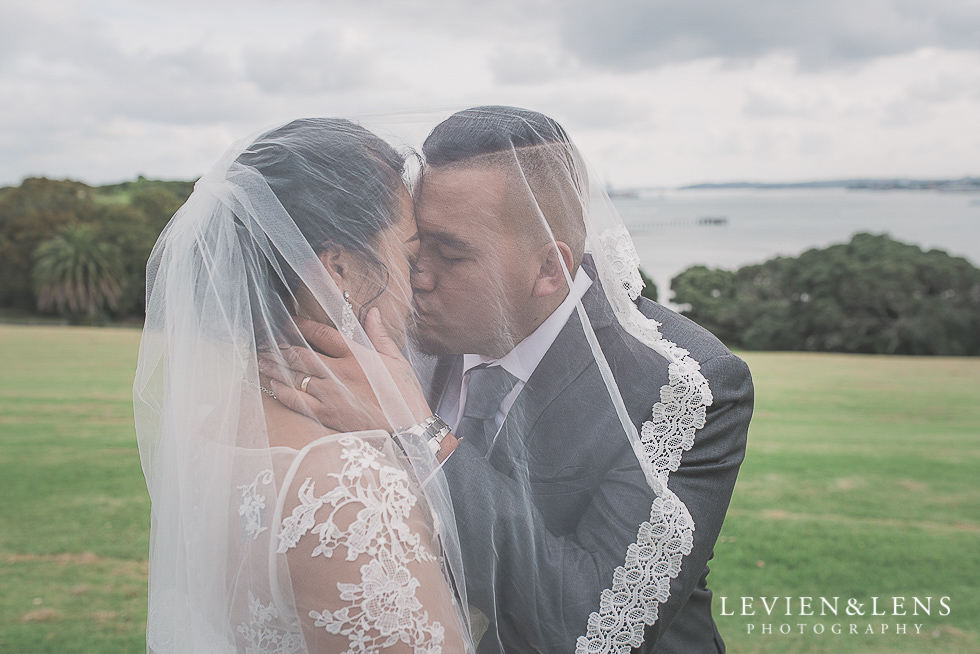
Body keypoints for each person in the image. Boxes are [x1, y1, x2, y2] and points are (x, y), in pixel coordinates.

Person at [268, 107, 754, 653]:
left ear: (549, 269)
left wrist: (420, 436)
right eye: (414, 244)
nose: (415, 275)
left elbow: (589, 624)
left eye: (450, 254)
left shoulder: (680, 385)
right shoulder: (386, 332)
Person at [133, 118, 475, 653]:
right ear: (336, 268)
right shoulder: (347, 485)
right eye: (408, 256)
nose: (422, 279)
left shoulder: (209, 423)